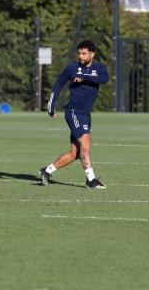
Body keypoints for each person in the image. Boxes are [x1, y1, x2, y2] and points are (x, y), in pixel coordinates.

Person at [40, 40, 108, 189]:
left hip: (85, 114)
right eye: (79, 53)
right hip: (74, 112)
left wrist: (85, 77)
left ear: (92, 54)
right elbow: (58, 85)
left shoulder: (98, 69)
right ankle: (91, 180)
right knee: (85, 144)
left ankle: (47, 171)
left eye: (84, 53)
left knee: (75, 153)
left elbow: (104, 79)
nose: (81, 56)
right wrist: (50, 106)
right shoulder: (72, 68)